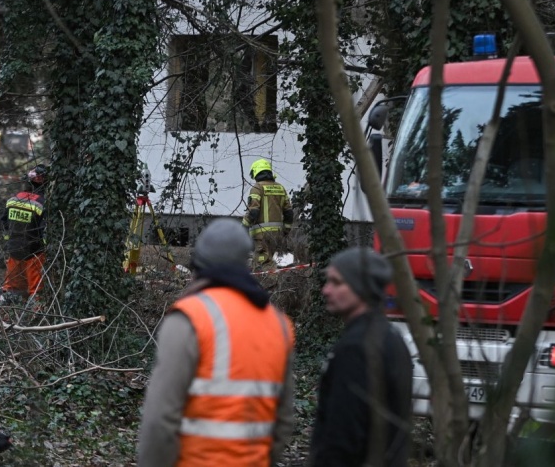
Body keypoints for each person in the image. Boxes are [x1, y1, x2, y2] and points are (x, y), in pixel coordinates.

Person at [137, 218, 295, 467]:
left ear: (199, 263)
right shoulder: (279, 325)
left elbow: (160, 419)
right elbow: (284, 420)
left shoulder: (189, 319)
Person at [308, 246, 412, 467]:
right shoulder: (392, 337)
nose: (326, 290)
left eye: (336, 283)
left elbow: (343, 437)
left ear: (362, 287)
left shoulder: (356, 348)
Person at [1, 163, 48, 301]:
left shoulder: (13, 199)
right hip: (34, 252)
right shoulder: (42, 202)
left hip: (14, 249)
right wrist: (44, 247)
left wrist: (9, 240)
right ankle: (34, 313)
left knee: (11, 288)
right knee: (36, 290)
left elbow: (3, 222)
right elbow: (44, 229)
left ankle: (3, 313)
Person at [242, 158, 294, 270]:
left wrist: (243, 226)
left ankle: (264, 287)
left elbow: (253, 211)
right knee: (277, 264)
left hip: (262, 236)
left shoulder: (257, 188)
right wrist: (286, 230)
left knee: (263, 266)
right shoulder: (281, 188)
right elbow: (289, 213)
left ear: (256, 172)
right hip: (278, 235)